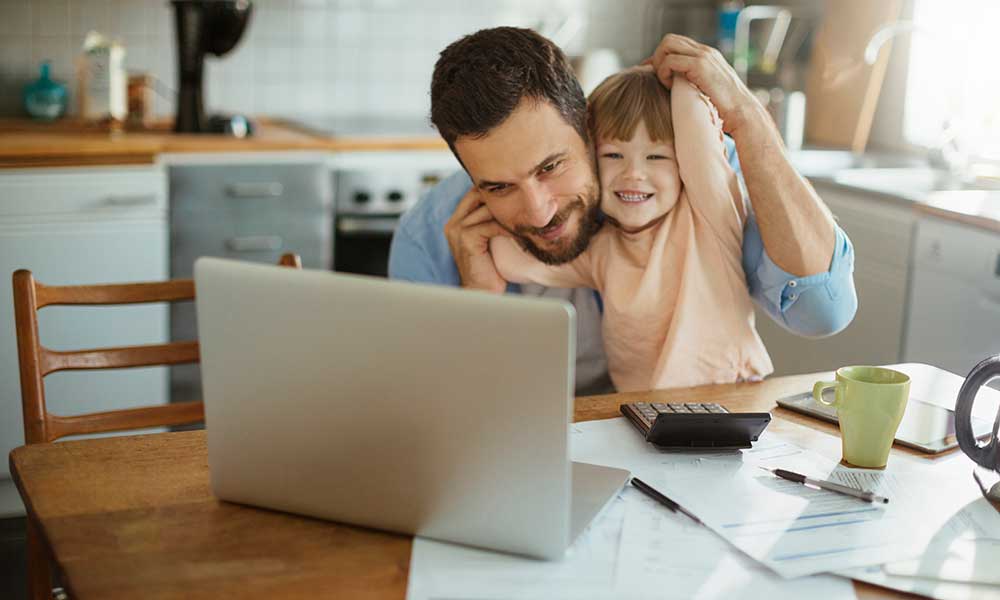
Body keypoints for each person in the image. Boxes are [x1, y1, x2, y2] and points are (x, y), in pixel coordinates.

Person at [389, 27, 857, 395]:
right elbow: (435, 418)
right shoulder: (430, 237)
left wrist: (746, 115)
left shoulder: (677, 173)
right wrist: (475, 298)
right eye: (498, 186)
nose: (537, 211)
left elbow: (821, 313)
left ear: (588, 126)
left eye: (552, 166)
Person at [489, 67, 771, 391]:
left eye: (656, 156)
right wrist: (487, 220)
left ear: (684, 163)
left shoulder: (708, 216)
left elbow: (695, 127)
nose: (634, 173)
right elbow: (514, 261)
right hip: (643, 412)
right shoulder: (601, 248)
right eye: (613, 154)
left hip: (727, 394)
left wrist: (673, 70)